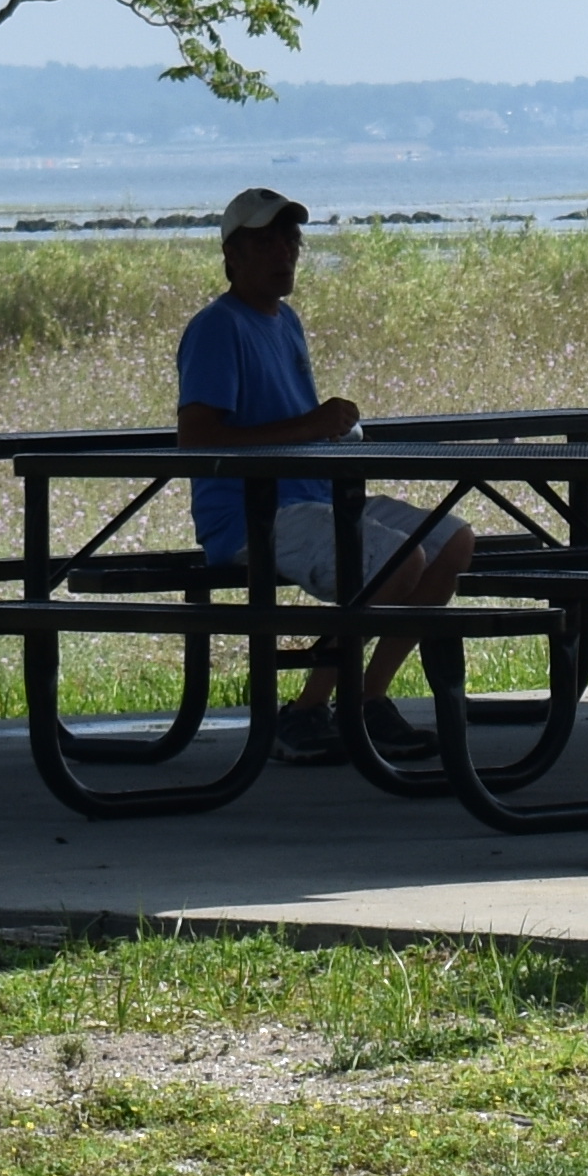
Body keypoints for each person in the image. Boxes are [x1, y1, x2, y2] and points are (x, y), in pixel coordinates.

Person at [172, 185, 479, 765]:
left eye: (291, 240)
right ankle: (308, 709)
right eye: (266, 242)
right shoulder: (217, 327)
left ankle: (365, 698)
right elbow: (197, 438)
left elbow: (298, 427)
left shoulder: (286, 322)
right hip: (249, 516)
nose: (284, 252)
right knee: (398, 561)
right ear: (233, 254)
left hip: (315, 495)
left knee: (450, 541)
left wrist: (326, 430)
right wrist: (310, 424)